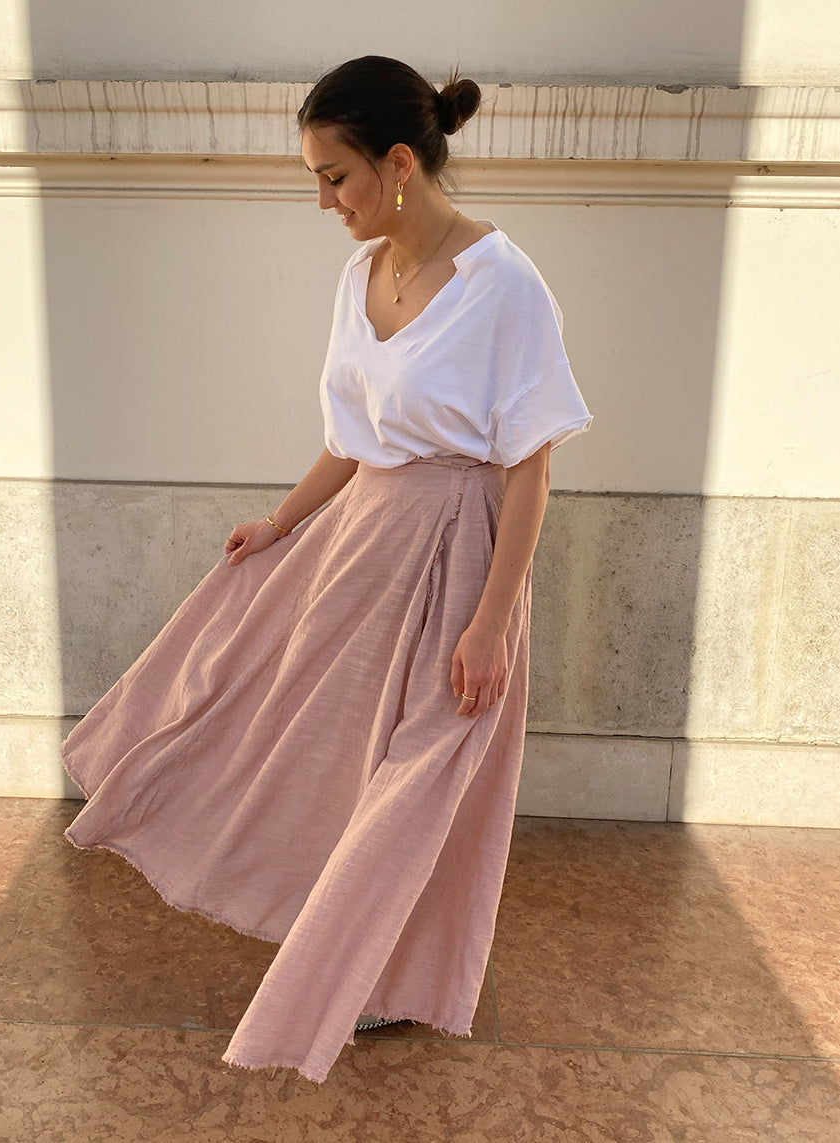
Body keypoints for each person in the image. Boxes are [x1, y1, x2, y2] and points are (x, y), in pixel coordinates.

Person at [61, 55, 592, 1085]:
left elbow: (528, 470)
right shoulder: (359, 279)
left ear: (398, 164)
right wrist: (279, 522)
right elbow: (351, 442)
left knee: (418, 779)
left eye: (333, 176)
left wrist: (493, 619)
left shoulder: (503, 284)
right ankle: (345, 956)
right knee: (313, 748)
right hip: (360, 547)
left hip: (461, 555)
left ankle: (363, 975)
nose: (322, 201)